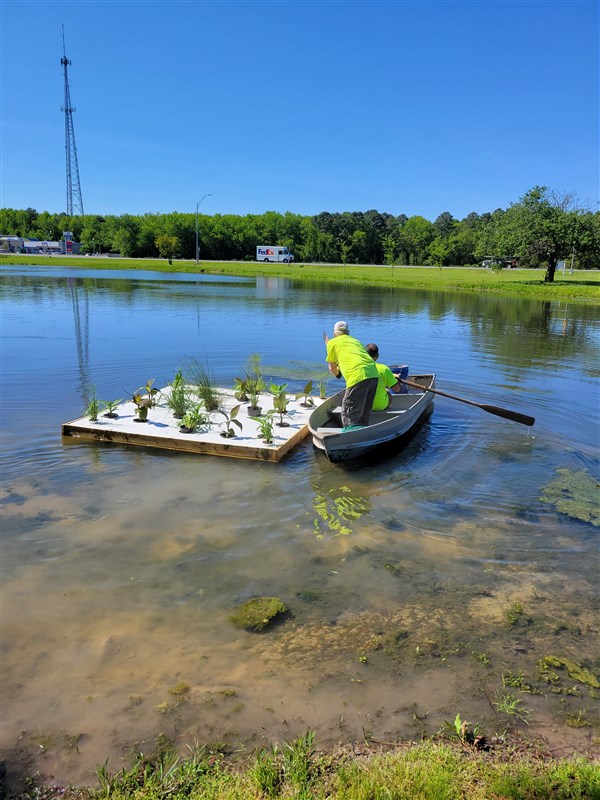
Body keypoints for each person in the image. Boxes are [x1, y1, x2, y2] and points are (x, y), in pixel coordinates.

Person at [325, 320, 378, 431]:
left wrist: (337, 374)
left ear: (334, 333)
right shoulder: (355, 341)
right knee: (364, 411)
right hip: (373, 374)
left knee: (349, 411)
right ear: (348, 332)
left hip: (357, 377)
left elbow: (332, 368)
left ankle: (349, 437)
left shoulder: (332, 342)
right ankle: (363, 435)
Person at [365, 343, 401, 411]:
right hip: (379, 406)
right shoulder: (384, 369)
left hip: (362, 406)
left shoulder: (358, 368)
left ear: (364, 355)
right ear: (377, 356)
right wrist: (397, 379)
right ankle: (386, 412)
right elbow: (396, 389)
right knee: (387, 390)